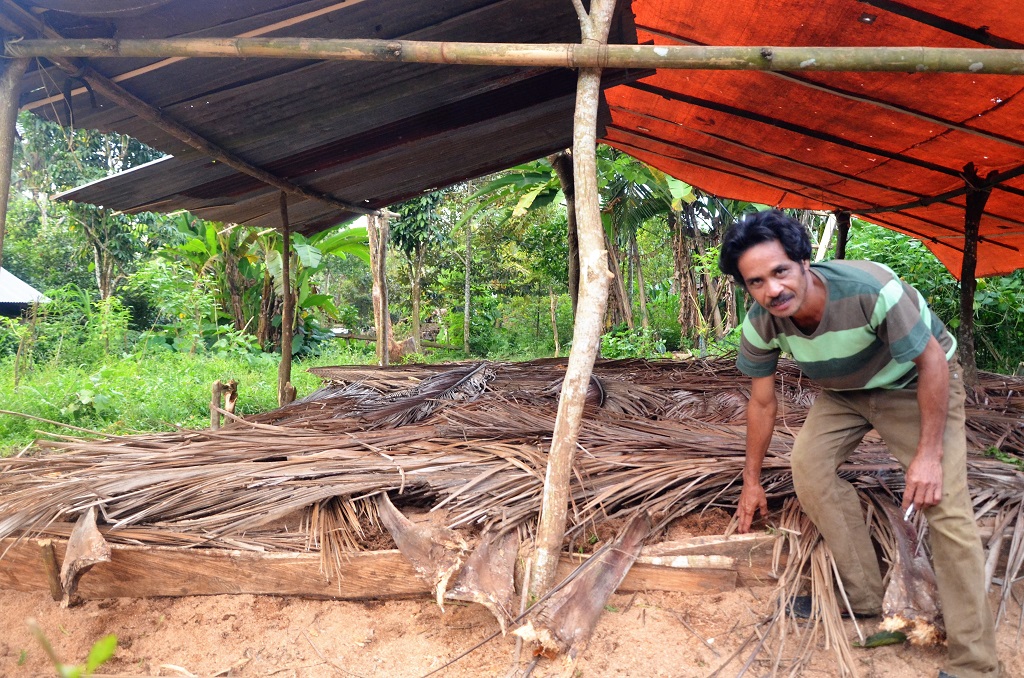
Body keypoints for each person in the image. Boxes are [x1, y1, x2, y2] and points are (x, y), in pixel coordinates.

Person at [718, 210, 999, 678]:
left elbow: (934, 363)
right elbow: (762, 404)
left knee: (945, 504)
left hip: (917, 382)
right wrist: (751, 481)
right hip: (844, 393)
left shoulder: (872, 289)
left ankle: (977, 664)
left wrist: (928, 458)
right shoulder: (761, 322)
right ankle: (865, 596)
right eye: (756, 282)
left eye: (780, 271)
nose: (772, 290)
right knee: (809, 468)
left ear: (805, 262)